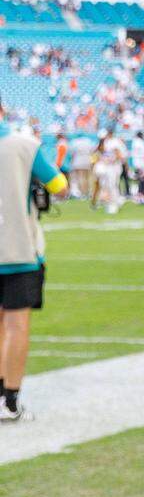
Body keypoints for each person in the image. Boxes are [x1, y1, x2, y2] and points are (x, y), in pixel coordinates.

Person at [0, 98, 68, 422]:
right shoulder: (25, 145)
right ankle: (10, 400)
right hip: (17, 250)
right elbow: (59, 186)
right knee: (16, 324)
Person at [130, 132, 144, 203]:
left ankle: (140, 195)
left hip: (136, 163)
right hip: (142, 164)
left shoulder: (134, 142)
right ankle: (141, 195)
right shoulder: (141, 143)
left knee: (140, 179)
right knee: (142, 180)